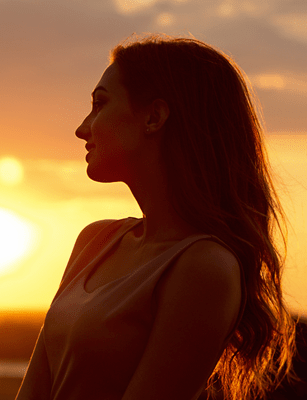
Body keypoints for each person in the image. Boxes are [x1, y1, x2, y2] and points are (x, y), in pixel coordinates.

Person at [15, 34, 296, 400]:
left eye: (100, 104)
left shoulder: (203, 267)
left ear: (154, 117)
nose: (83, 128)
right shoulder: (95, 241)